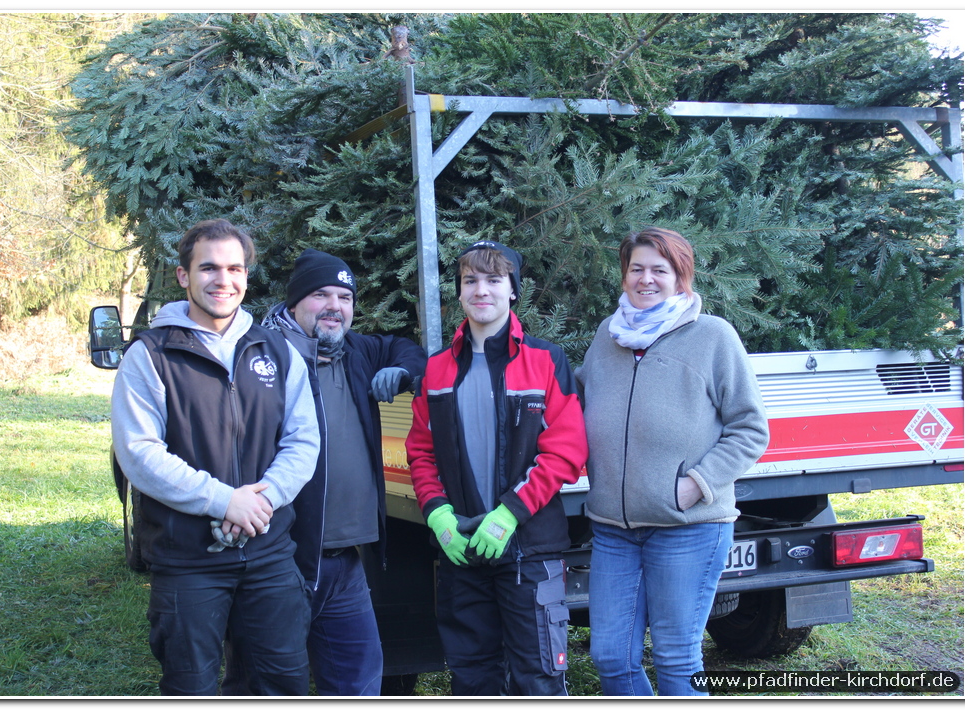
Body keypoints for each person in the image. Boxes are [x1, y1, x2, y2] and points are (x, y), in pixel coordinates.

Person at [110, 219, 320, 695]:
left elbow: (303, 441)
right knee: (192, 689)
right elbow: (140, 454)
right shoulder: (150, 355)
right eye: (208, 268)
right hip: (188, 562)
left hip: (269, 557)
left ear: (246, 276)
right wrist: (224, 502)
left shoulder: (278, 351)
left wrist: (259, 503)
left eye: (234, 268)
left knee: (283, 685)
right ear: (183, 276)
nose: (222, 280)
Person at [575, 227, 770, 696]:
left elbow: (750, 428)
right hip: (613, 529)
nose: (646, 279)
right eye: (636, 268)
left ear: (680, 277)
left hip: (688, 528)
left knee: (676, 656)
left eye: (659, 270)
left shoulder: (712, 336)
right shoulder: (609, 334)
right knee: (610, 657)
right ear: (624, 276)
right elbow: (576, 399)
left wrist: (697, 483)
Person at [223, 248, 426, 696]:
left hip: (344, 564)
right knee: (266, 685)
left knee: (358, 680)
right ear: (294, 302)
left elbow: (405, 347)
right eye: (320, 294)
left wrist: (402, 370)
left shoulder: (357, 351)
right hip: (277, 559)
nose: (335, 306)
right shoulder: (260, 356)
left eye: (345, 296)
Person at [406, 240, 588, 696]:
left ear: (512, 291)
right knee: (472, 681)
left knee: (539, 680)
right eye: (470, 281)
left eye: (493, 280)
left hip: (530, 553)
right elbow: (421, 452)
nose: (480, 290)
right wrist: (437, 514)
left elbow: (566, 451)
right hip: (463, 551)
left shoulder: (546, 361)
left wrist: (509, 514)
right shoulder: (436, 371)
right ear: (460, 293)